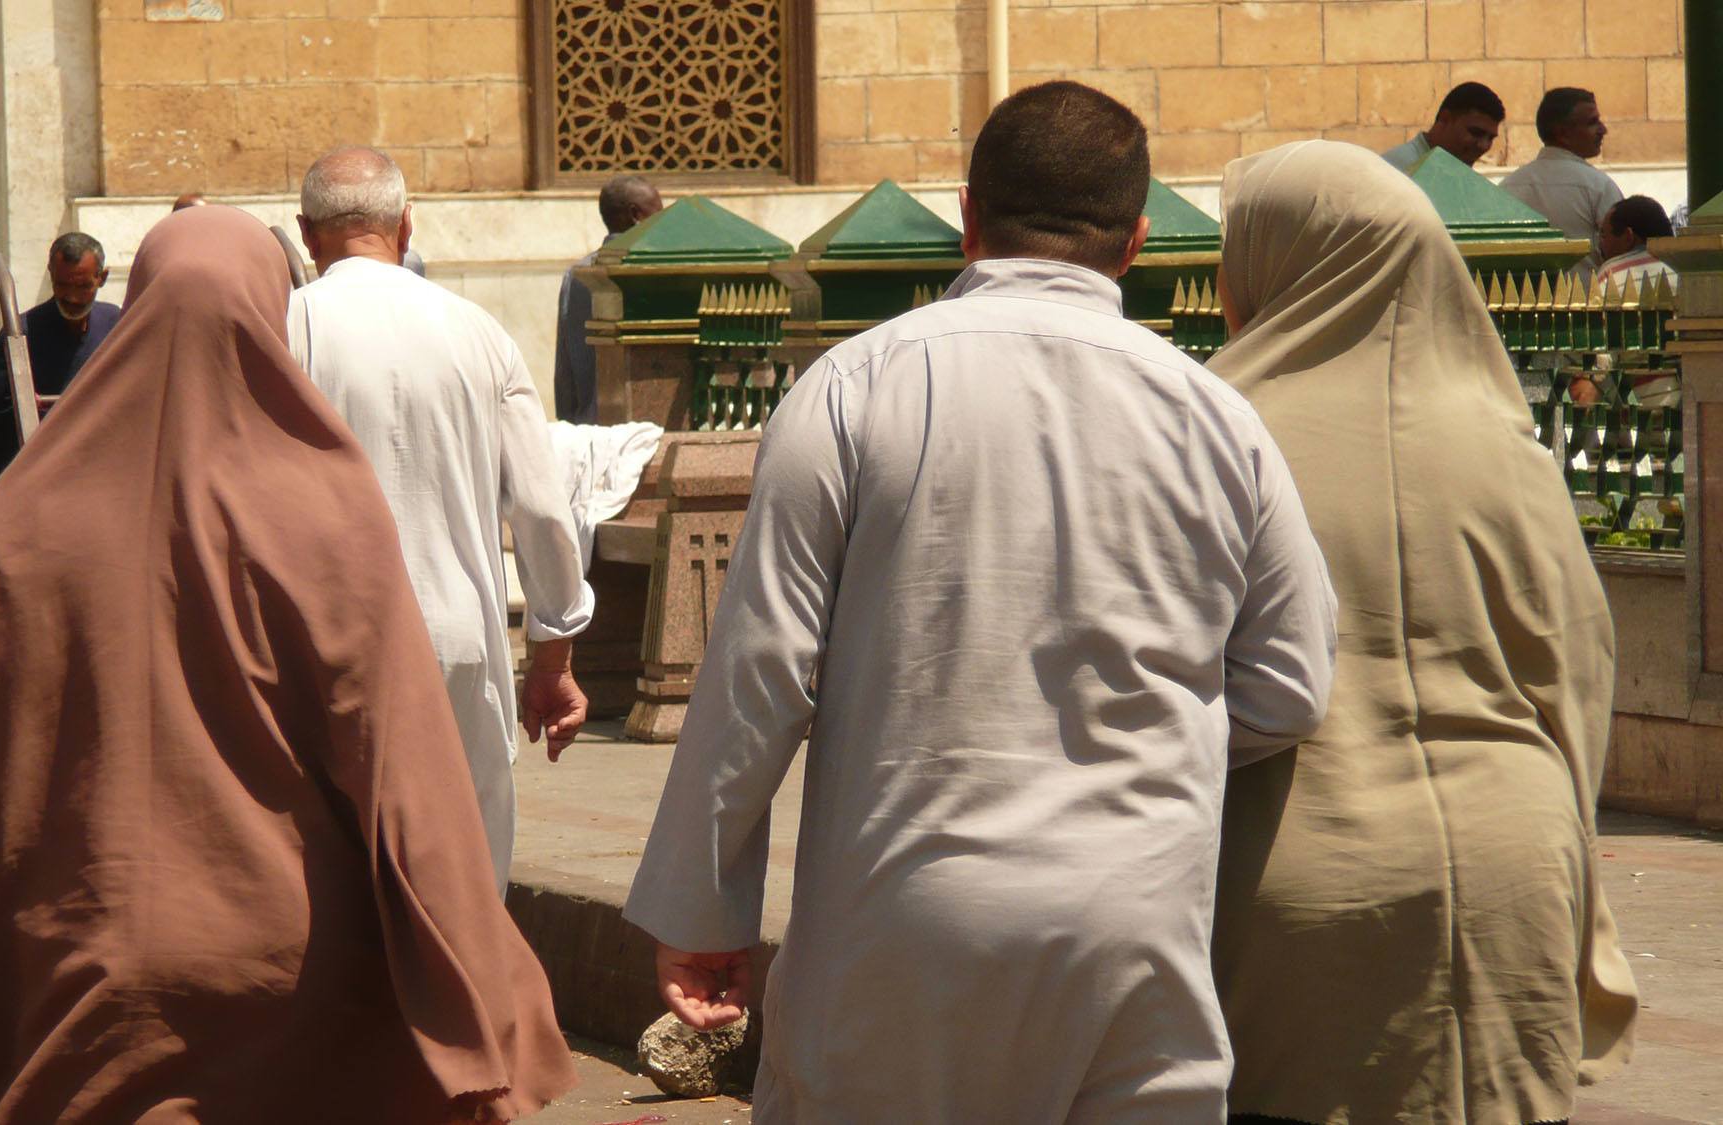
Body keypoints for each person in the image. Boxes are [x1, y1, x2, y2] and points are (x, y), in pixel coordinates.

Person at [622, 81, 1339, 1123]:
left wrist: (700, 904)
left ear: (967, 217)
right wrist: (1133, 735)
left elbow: (757, 670)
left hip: (903, 917)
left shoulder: (854, 386)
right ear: (1135, 241)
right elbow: (1287, 683)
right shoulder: (1214, 417)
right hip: (1134, 924)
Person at [0, 205, 576, 1123]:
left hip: (77, 968)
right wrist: (476, 970)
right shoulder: (327, 508)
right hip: (285, 974)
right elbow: (402, 768)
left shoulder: (25, 521)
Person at [1206, 140, 1639, 1125]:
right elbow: (1576, 666)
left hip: (1285, 892)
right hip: (1504, 882)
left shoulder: (1214, 435)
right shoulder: (1502, 443)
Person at [288, 145, 594, 889]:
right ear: (405, 224)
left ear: (307, 232)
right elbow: (544, 508)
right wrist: (552, 654)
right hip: (460, 644)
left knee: (339, 879)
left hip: (326, 647)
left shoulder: (282, 325)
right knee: (463, 884)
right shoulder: (478, 332)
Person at [0, 232, 121, 484]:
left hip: (90, 479)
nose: (72, 297)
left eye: (83, 286)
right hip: (25, 482)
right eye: (63, 285)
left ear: (102, 278)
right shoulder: (21, 332)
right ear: (51, 275)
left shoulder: (115, 325)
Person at [553, 175, 663, 423]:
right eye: (658, 212)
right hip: (642, 433)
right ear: (636, 214)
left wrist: (570, 423)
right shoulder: (652, 269)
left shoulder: (577, 273)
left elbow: (566, 365)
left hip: (590, 430)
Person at [1502, 87, 1622, 270]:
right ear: (1563, 133)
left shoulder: (1508, 187)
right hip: (1587, 297)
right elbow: (1622, 255)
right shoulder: (1598, 186)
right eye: (1592, 122)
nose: (1603, 130)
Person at [1381, 81, 1506, 172]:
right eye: (1475, 133)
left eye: (1490, 138)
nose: (1483, 145)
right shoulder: (1396, 170)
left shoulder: (1458, 175)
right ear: (1445, 119)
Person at [1596, 194, 1678, 288]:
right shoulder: (1683, 271)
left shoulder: (1608, 275)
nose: (1600, 243)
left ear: (1627, 237)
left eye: (1603, 235)